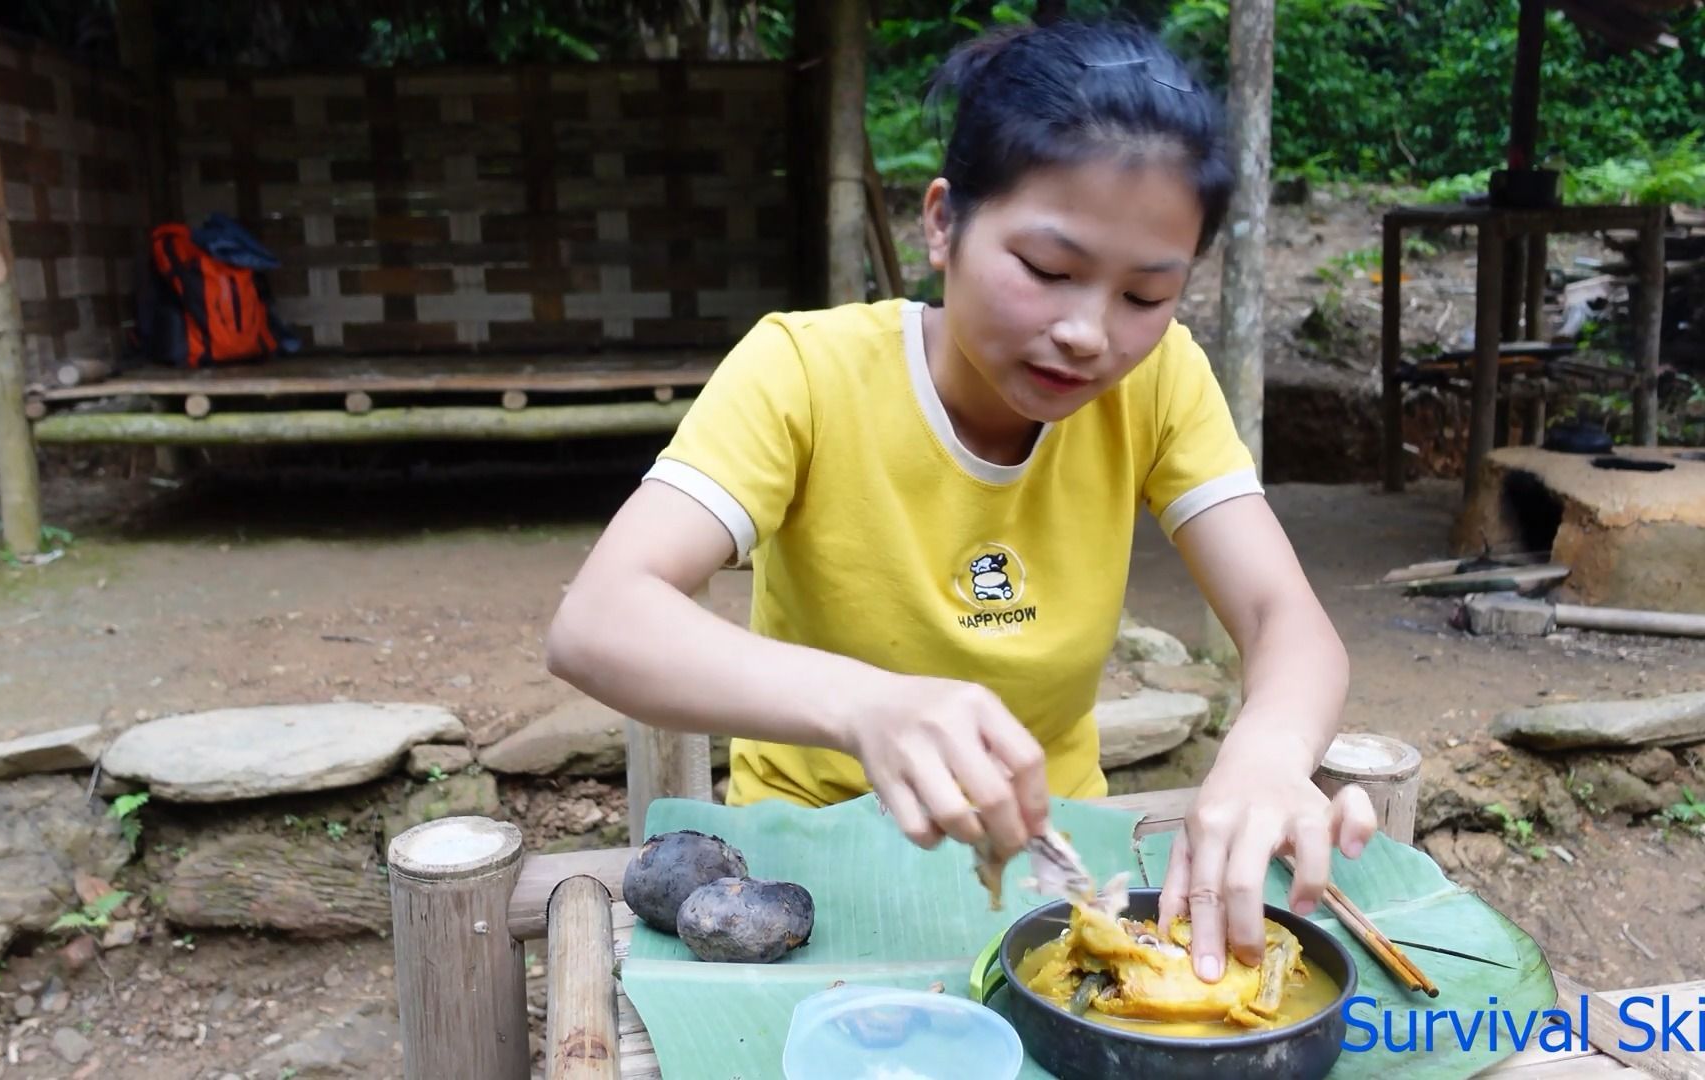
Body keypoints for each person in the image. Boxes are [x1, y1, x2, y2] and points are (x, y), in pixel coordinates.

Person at [544, 17, 1376, 985]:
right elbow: (599, 622)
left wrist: (1268, 753)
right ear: (942, 222)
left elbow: (1289, 622)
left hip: (1057, 862)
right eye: (1049, 271)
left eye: (1146, 297)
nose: (1087, 334)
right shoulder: (804, 371)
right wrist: (869, 706)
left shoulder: (1163, 382)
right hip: (806, 864)